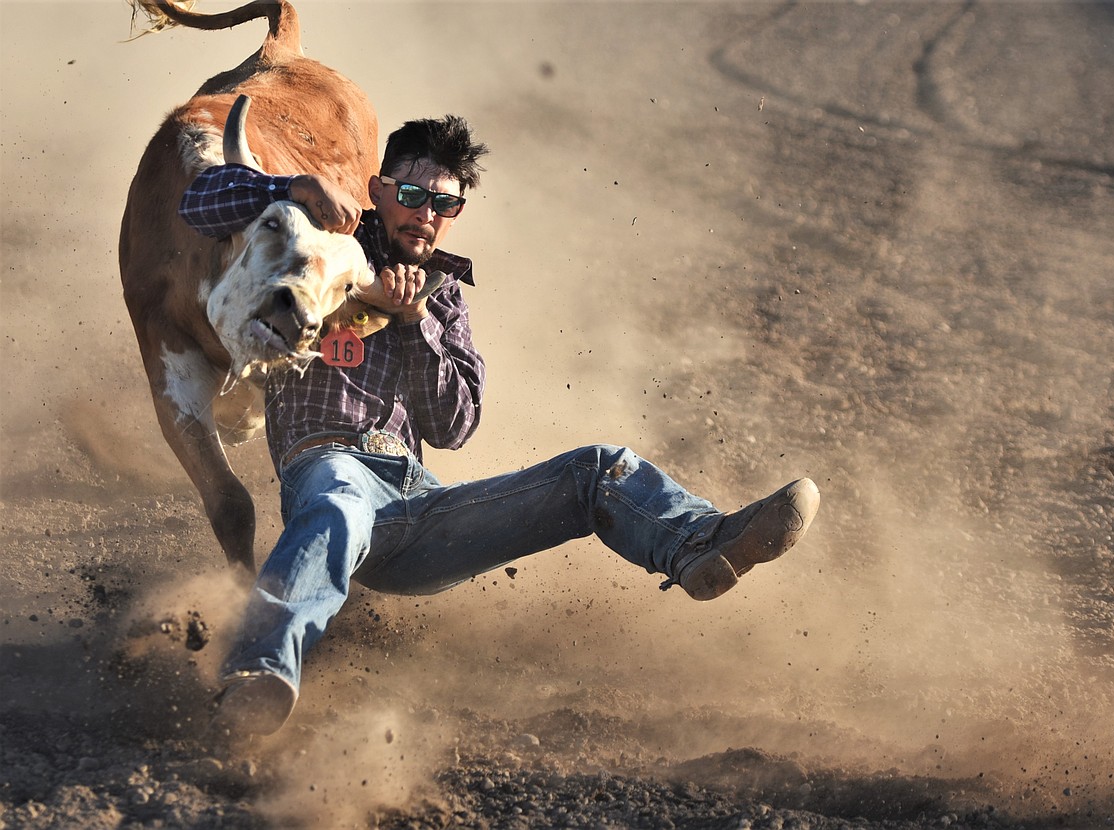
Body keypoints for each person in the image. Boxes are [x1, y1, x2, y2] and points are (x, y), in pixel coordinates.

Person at [178, 114, 821, 743]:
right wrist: (286, 189)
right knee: (341, 505)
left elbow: (455, 424)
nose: (424, 213)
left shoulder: (445, 294)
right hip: (330, 467)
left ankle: (701, 545)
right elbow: (199, 203)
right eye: (409, 194)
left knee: (597, 468)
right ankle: (256, 674)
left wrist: (415, 321)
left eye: (442, 204)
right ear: (378, 191)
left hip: (418, 506)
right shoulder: (324, 241)